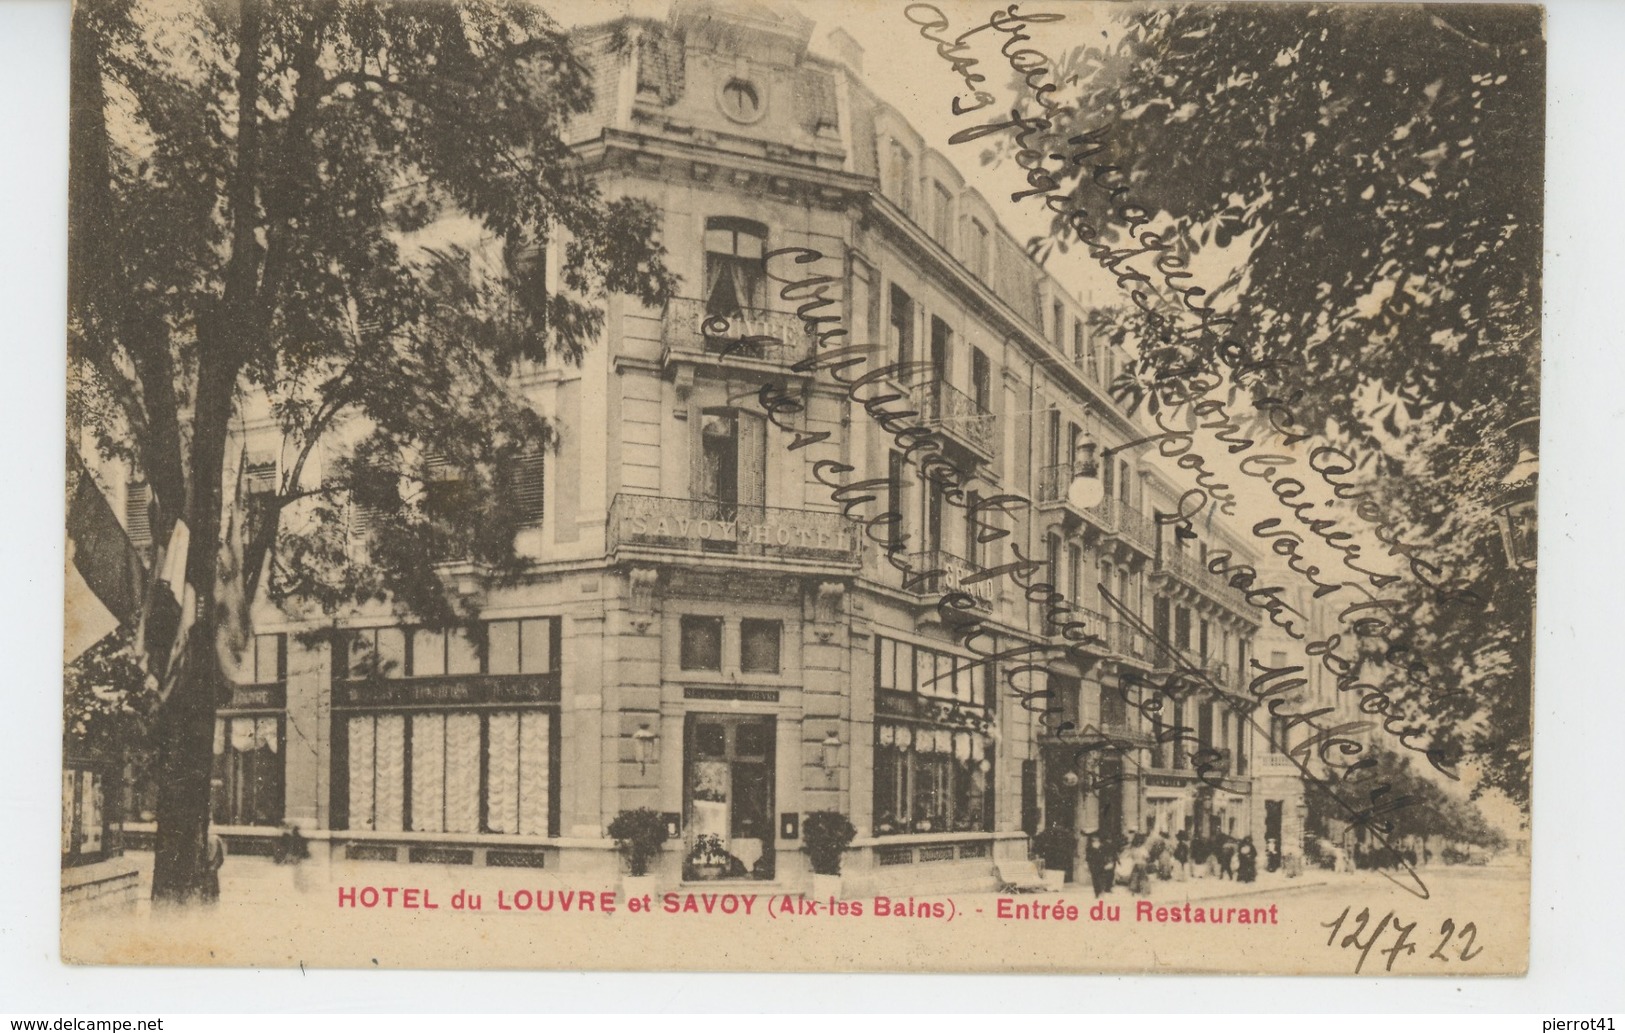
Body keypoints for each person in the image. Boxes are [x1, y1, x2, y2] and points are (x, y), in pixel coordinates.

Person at [1084, 832, 1115, 897]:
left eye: (1096, 838)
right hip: (1093, 864)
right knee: (1095, 878)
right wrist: (1086, 864)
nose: (1095, 839)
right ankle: (1097, 892)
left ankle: (1101, 890)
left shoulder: (1102, 846)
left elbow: (1106, 855)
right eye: (1094, 838)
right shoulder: (1089, 847)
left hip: (1101, 864)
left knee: (1101, 877)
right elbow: (1087, 857)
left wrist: (1108, 862)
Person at [202, 828, 227, 904]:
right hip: (212, 865)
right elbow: (221, 859)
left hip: (210, 864)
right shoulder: (215, 838)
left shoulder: (212, 838)